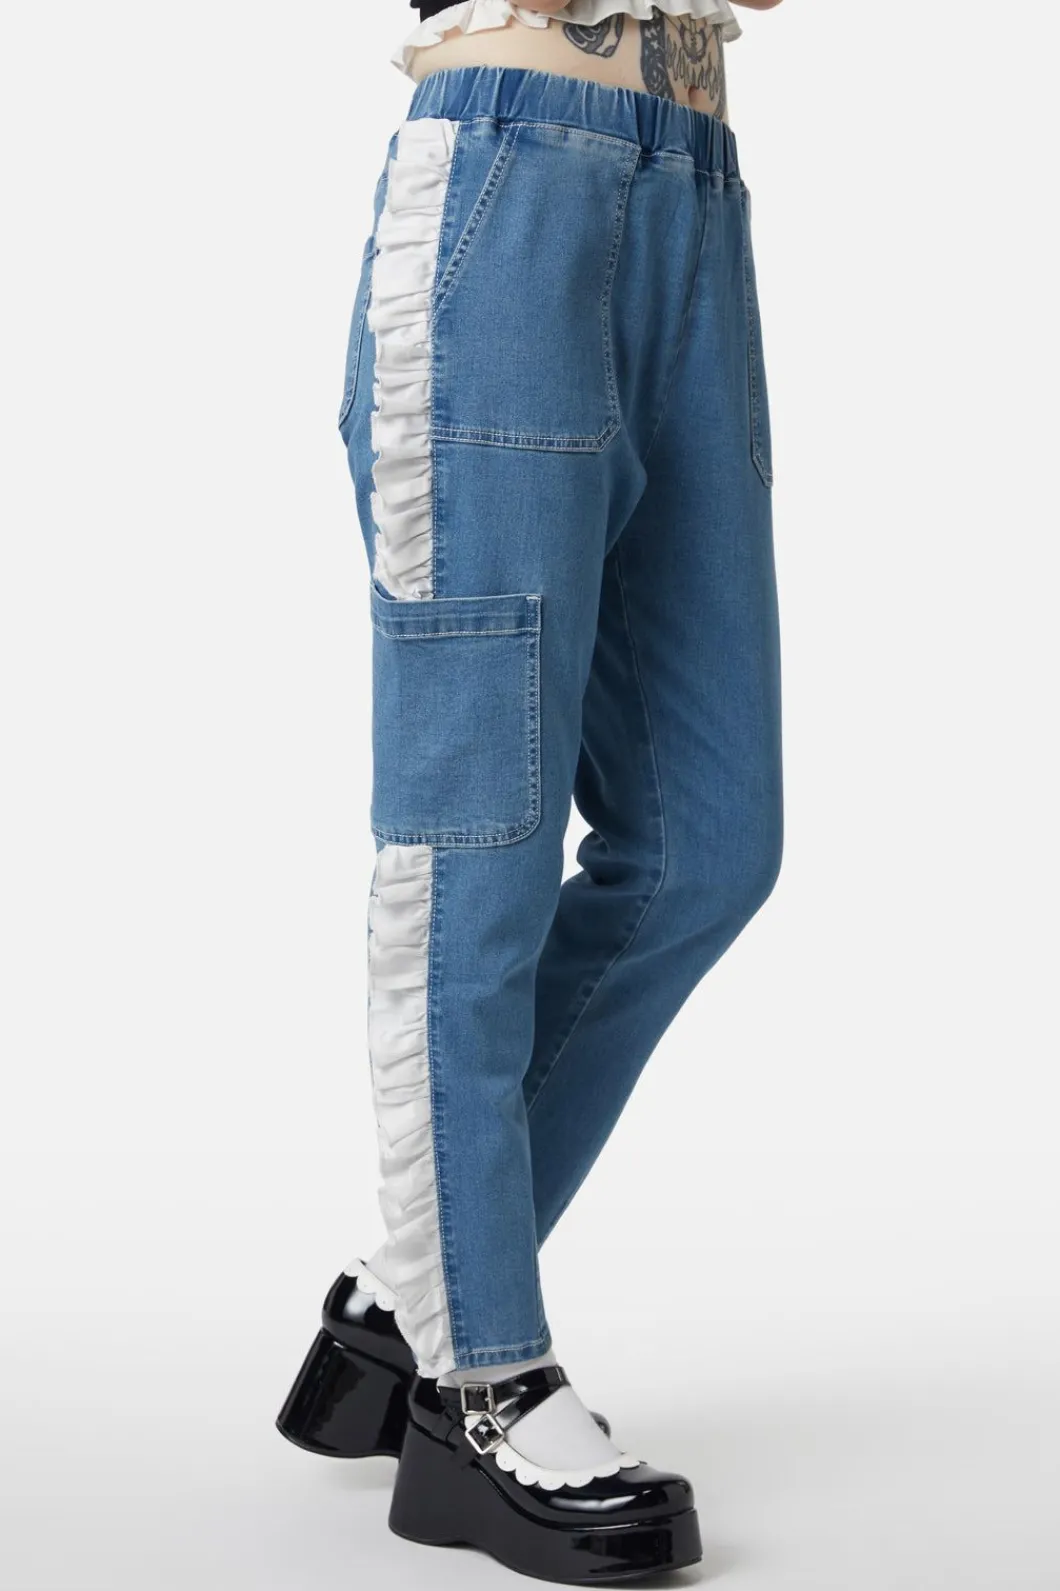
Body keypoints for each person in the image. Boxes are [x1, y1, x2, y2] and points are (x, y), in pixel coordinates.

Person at [279, 2, 785, 1581]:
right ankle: (477, 1381)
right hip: (505, 185)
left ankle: (405, 1296)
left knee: (707, 843)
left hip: (694, 196)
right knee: (472, 847)